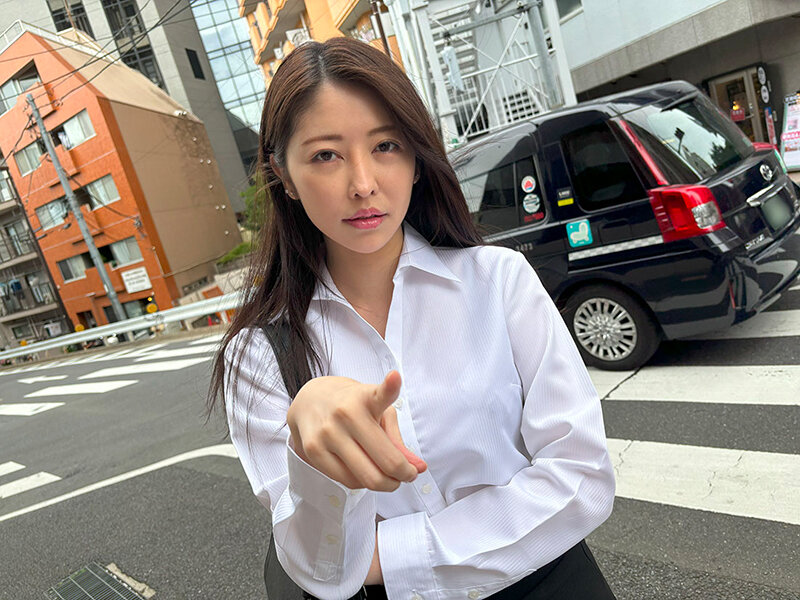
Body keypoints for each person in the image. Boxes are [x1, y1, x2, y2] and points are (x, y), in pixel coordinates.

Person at [208, 37, 617, 600]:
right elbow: (317, 568)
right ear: (283, 173)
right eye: (326, 155)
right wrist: (311, 458)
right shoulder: (259, 355)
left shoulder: (497, 281)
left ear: (417, 157)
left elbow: (581, 476)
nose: (363, 184)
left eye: (386, 145)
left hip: (550, 582)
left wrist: (389, 557)